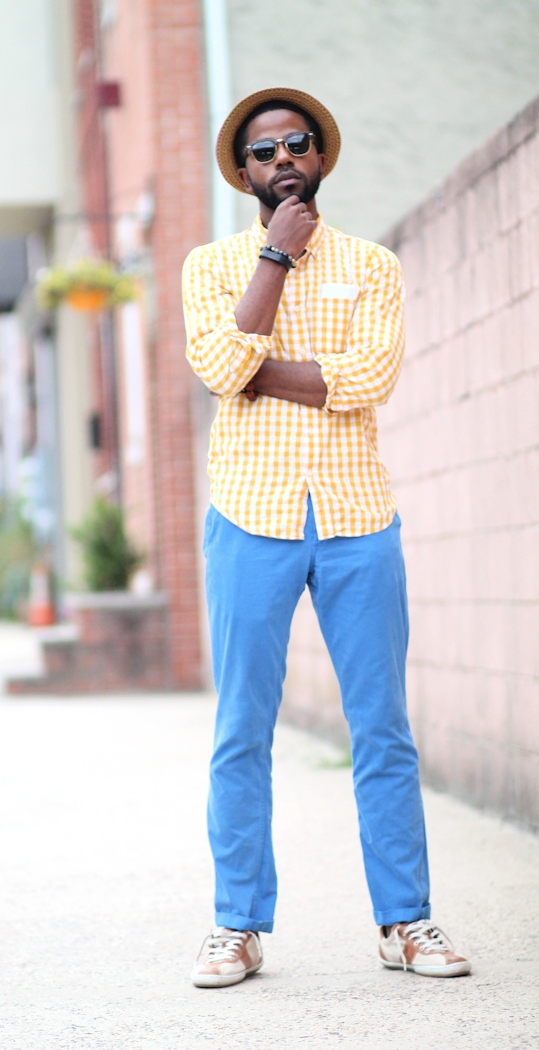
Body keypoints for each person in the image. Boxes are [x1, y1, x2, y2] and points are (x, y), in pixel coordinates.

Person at [182, 87, 471, 988]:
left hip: (357, 519)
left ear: (320, 157)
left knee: (382, 727)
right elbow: (216, 368)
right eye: (264, 152)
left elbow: (370, 377)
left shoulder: (372, 265)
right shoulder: (211, 266)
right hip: (250, 515)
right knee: (242, 729)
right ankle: (237, 927)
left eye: (297, 144)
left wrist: (257, 371)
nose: (283, 160)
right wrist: (275, 256)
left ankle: (405, 920)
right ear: (243, 173)